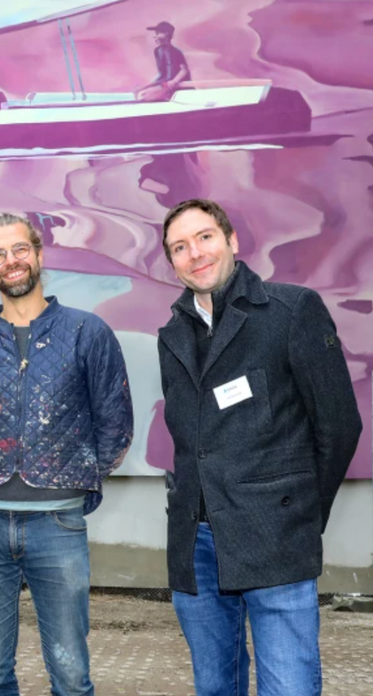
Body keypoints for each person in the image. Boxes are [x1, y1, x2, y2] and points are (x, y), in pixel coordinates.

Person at [158, 199, 362, 696]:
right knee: (215, 686)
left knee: (288, 687)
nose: (195, 254)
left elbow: (339, 426)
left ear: (232, 240)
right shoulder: (171, 335)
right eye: (179, 248)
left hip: (275, 538)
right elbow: (193, 442)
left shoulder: (292, 310)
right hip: (197, 544)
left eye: (204, 237)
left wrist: (299, 514)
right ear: (172, 263)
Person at [0, 213, 133, 696]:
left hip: (58, 525)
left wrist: (72, 479)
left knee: (70, 674)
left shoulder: (87, 333)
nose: (11, 261)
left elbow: (115, 423)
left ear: (40, 254)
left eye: (19, 249)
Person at [135, 21, 191, 102]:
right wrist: (147, 85)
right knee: (140, 92)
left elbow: (184, 70)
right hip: (164, 84)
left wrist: (174, 81)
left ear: (167, 34)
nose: (156, 37)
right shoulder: (158, 51)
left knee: (143, 96)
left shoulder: (176, 52)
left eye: (159, 33)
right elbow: (162, 74)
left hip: (176, 86)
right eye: (156, 33)